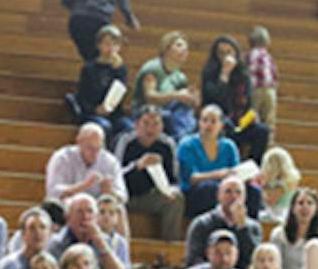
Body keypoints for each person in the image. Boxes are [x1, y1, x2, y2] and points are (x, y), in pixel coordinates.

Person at [115, 107, 187, 239]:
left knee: (177, 198)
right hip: (126, 196)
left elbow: (174, 179)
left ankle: (170, 248)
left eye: (155, 124)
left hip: (152, 196)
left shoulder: (167, 144)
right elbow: (115, 175)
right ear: (137, 125)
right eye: (146, 123)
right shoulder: (125, 141)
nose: (151, 129)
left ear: (162, 126)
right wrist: (137, 165)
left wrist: (170, 190)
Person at [199, 35, 271, 165]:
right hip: (218, 121)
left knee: (262, 131)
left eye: (229, 52)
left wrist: (251, 116)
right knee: (227, 125)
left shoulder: (243, 76)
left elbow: (247, 104)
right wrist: (224, 74)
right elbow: (215, 99)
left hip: (240, 122)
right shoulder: (210, 74)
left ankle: (252, 168)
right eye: (221, 53)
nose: (225, 57)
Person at [71, 25, 133, 143]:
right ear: (99, 45)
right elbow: (82, 95)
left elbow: (120, 91)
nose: (110, 48)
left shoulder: (120, 69)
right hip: (93, 112)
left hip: (114, 114)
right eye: (107, 44)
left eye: (115, 45)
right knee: (104, 126)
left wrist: (118, 71)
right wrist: (95, 109)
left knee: (129, 127)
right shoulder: (89, 68)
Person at [45, 122, 127, 211]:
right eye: (90, 148)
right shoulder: (62, 158)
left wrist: (110, 192)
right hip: (68, 206)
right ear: (79, 142)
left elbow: (123, 197)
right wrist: (83, 186)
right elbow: (53, 191)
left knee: (118, 210)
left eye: (98, 149)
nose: (95, 154)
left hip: (98, 210)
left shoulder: (110, 161)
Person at [135, 31, 202, 140]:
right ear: (166, 48)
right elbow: (150, 97)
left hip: (170, 113)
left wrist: (193, 98)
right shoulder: (153, 68)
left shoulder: (180, 76)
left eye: (186, 48)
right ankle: (184, 136)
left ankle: (186, 135)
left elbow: (184, 103)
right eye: (179, 45)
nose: (184, 50)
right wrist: (177, 95)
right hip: (147, 111)